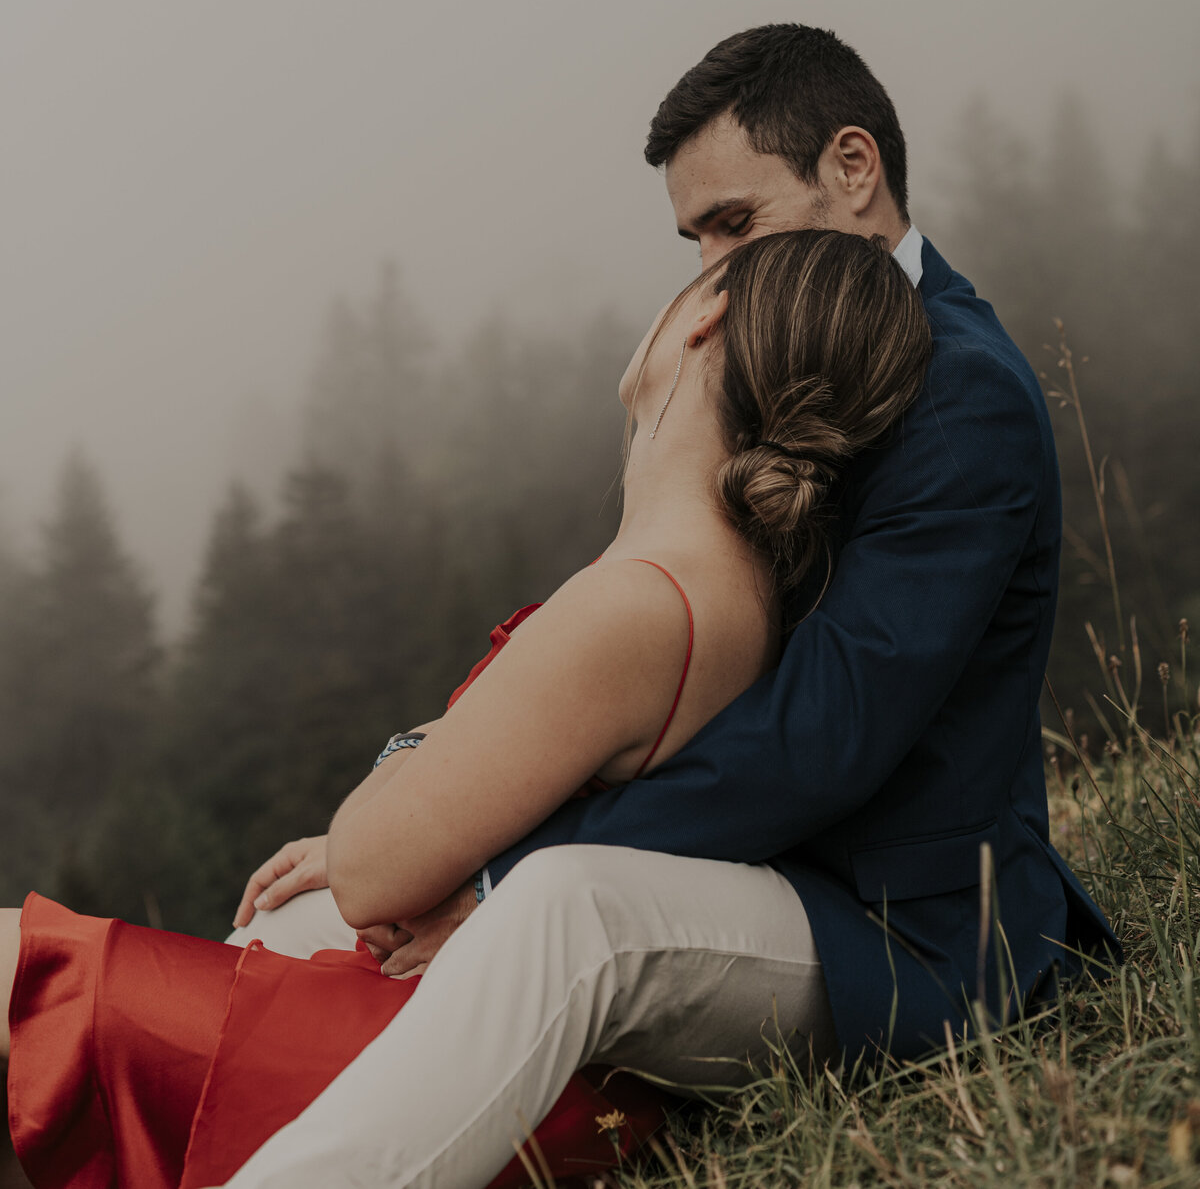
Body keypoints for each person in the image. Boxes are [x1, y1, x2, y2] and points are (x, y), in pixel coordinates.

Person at [198, 23, 1119, 1189]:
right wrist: (426, 816)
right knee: (300, 926)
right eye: (694, 240)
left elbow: (815, 741)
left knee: (559, 908)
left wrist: (491, 871)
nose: (710, 273)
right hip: (737, 871)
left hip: (898, 936)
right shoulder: (763, 348)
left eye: (735, 223)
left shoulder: (960, 393)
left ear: (853, 168)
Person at [2, 221, 933, 1188]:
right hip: (507, 1044)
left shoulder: (646, 594)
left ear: (709, 315)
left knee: (20, 970)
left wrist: (416, 751)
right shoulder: (734, 585)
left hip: (437, 1059)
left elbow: (371, 872)